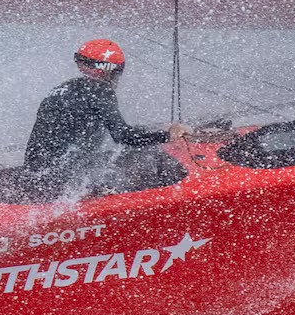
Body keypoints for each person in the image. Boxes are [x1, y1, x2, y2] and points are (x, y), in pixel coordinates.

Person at [23, 39, 187, 199]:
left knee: (116, 156)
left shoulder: (64, 88)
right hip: (63, 177)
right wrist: (166, 135)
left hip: (39, 173)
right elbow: (124, 137)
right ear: (111, 71)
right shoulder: (99, 90)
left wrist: (155, 129)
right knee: (146, 154)